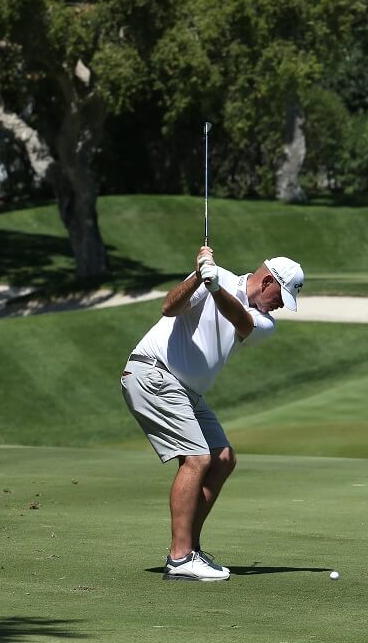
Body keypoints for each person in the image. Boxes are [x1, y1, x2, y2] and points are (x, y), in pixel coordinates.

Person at [120, 247, 305, 581]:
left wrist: (215, 286)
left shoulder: (263, 321)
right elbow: (169, 307)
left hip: (187, 391)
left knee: (222, 458)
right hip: (154, 374)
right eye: (281, 296)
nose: (281, 306)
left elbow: (241, 321)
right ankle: (180, 559)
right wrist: (197, 277)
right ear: (267, 282)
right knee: (197, 459)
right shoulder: (210, 278)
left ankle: (188, 549)